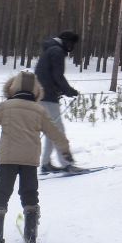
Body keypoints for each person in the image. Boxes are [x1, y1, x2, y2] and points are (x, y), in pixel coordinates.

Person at [0, 71, 72, 243]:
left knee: (0, 193)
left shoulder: (7, 106)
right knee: (29, 193)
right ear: (36, 90)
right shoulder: (39, 110)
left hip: (8, 159)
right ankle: (31, 235)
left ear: (13, 88)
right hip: (30, 160)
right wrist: (65, 150)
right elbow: (54, 133)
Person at [34, 30, 80, 173]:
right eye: (72, 44)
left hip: (42, 95)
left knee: (50, 131)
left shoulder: (51, 49)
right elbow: (57, 76)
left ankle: (46, 163)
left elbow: (48, 74)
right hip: (48, 97)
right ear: (66, 41)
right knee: (58, 131)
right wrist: (69, 90)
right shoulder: (57, 52)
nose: (72, 48)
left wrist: (61, 89)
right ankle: (67, 164)